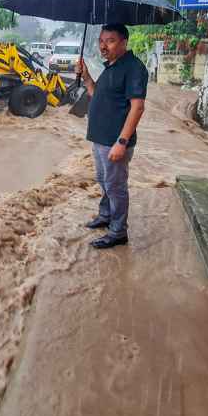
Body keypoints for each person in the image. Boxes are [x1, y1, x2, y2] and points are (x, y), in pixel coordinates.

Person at [78, 23, 148, 249]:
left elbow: (137, 107)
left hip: (115, 142)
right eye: (101, 41)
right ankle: (106, 215)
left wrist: (122, 141)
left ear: (124, 42)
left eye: (110, 41)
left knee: (116, 186)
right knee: (103, 180)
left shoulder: (134, 68)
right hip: (100, 138)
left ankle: (118, 231)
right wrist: (87, 77)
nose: (103, 46)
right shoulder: (111, 67)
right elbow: (96, 94)